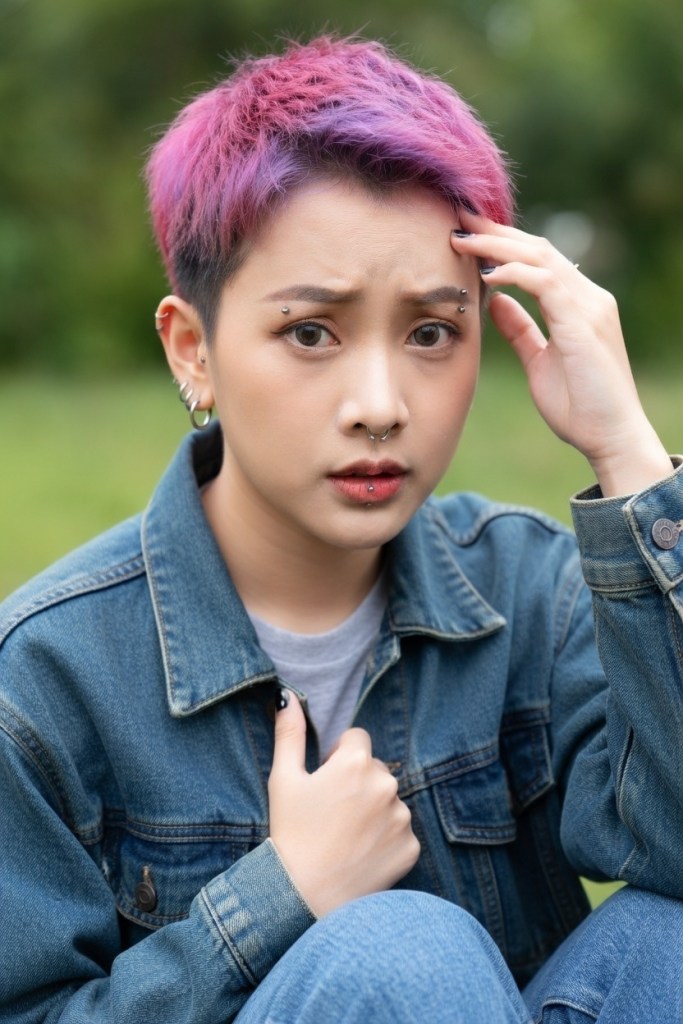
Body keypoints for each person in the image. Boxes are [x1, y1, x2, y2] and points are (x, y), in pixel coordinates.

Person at [1, 33, 681, 1024]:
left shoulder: (528, 587)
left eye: (429, 333)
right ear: (193, 350)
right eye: (310, 331)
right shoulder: (45, 680)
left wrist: (627, 456)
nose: (378, 404)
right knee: (399, 953)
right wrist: (279, 899)